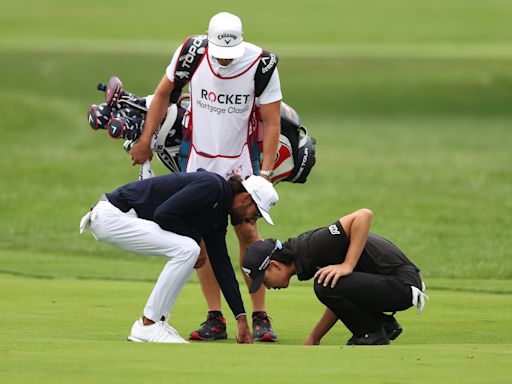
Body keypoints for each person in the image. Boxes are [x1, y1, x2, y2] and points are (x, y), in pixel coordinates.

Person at [130, 12, 283, 341]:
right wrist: (145, 141)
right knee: (198, 237)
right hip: (197, 160)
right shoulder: (192, 51)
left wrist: (266, 173)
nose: (225, 60)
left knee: (247, 232)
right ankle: (215, 317)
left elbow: (272, 121)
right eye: (220, 54)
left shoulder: (261, 63)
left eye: (230, 54)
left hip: (241, 163)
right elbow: (161, 95)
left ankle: (260, 316)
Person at [79, 170, 279, 343]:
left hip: (121, 218)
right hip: (113, 217)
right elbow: (164, 214)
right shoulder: (213, 187)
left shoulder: (217, 214)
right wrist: (199, 241)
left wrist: (241, 318)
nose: (252, 220)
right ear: (245, 198)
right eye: (257, 213)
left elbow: (222, 266)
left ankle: (157, 322)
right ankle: (148, 325)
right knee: (189, 249)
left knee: (188, 249)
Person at [242, 208, 429, 346]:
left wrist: (348, 265)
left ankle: (372, 332)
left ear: (274, 265)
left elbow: (363, 215)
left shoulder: (312, 246)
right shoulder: (304, 255)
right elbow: (341, 296)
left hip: (402, 285)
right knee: (327, 283)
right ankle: (381, 325)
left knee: (323, 284)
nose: (267, 287)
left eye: (264, 280)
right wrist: (315, 337)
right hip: (395, 284)